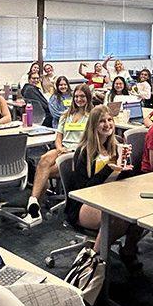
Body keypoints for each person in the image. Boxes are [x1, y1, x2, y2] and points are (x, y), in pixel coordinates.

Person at [64, 104, 144, 274]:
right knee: (115, 215)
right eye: (102, 121)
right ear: (94, 125)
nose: (107, 124)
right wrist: (109, 169)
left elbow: (126, 182)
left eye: (110, 120)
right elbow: (83, 189)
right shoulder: (84, 152)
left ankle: (128, 250)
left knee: (141, 211)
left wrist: (126, 164)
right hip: (84, 203)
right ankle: (92, 261)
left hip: (112, 198)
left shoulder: (116, 147)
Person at [27, 84, 92, 224]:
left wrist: (69, 151)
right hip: (63, 149)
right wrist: (60, 147)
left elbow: (90, 141)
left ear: (87, 97)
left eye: (82, 96)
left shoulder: (91, 116)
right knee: (44, 159)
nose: (79, 99)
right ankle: (33, 202)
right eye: (76, 96)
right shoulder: (66, 115)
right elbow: (58, 137)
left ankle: (33, 209)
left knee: (43, 172)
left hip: (77, 152)